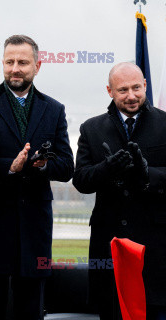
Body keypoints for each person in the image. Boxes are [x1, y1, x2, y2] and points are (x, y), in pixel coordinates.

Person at [0, 35, 74, 320]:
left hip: (34, 229)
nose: (15, 68)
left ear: (37, 66)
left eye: (23, 62)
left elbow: (67, 167)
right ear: (3, 64)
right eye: (9, 62)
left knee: (30, 309)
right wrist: (10, 166)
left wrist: (41, 166)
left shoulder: (54, 109)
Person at [73, 62, 166, 320]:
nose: (131, 95)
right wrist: (107, 168)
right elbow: (80, 179)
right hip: (109, 245)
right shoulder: (90, 128)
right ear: (109, 91)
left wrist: (150, 174)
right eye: (123, 90)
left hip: (156, 249)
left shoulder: (165, 123)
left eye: (136, 87)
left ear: (145, 85)